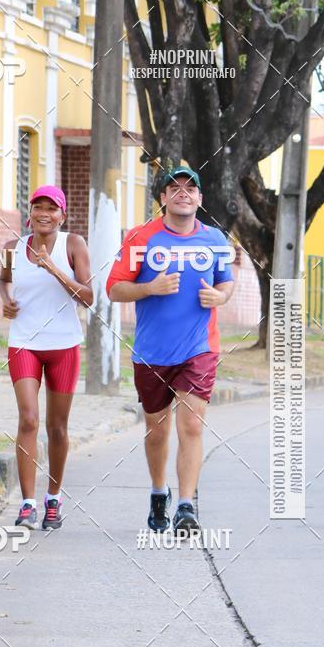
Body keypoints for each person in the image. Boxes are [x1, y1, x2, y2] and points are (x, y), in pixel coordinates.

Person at [106, 166, 235, 536]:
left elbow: (226, 283)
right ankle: (158, 492)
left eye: (190, 188)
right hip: (152, 352)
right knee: (157, 430)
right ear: (162, 198)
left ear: (200, 199)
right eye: (174, 188)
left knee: (192, 423)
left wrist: (220, 297)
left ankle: (186, 505)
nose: (183, 193)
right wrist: (150, 288)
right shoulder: (141, 238)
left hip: (199, 347)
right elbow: (114, 290)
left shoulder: (214, 239)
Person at [0, 186, 93, 529]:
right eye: (38, 207)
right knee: (28, 419)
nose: (44, 214)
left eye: (51, 209)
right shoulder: (12, 248)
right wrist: (6, 301)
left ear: (62, 215)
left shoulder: (74, 245)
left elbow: (88, 296)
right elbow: (3, 281)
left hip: (63, 346)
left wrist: (54, 268)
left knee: (57, 426)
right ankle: (27, 504)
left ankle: (53, 497)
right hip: (23, 342)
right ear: (30, 213)